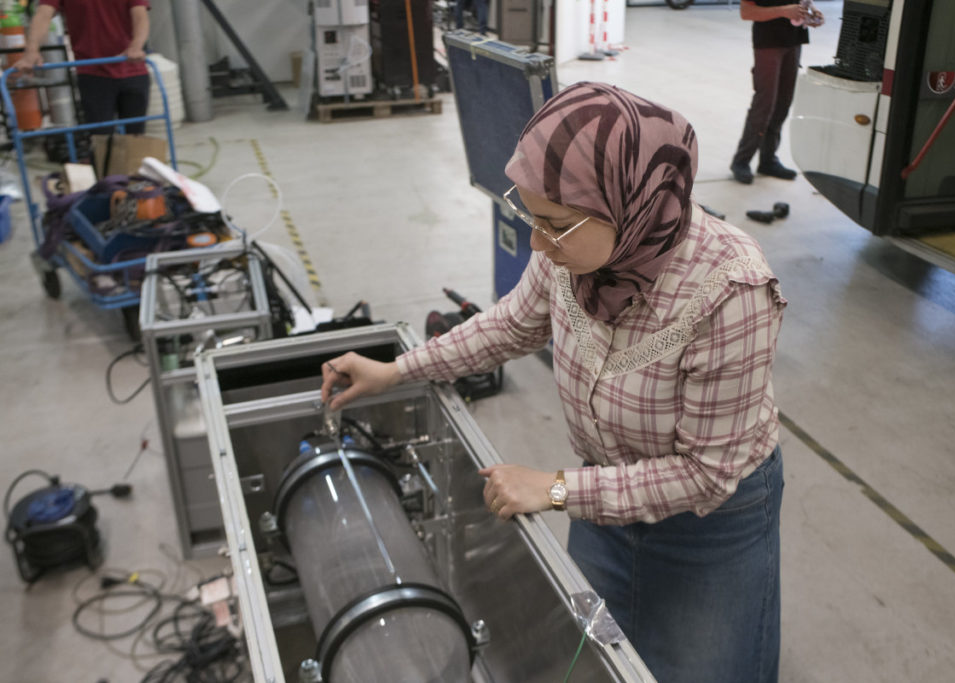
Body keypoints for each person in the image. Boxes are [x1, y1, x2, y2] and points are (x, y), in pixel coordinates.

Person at [321, 82, 787, 683]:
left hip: (707, 525)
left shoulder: (729, 292)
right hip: (606, 503)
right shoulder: (577, 251)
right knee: (600, 657)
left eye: (556, 225)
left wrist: (560, 490)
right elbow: (513, 324)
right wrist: (396, 369)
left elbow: (704, 473)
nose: (538, 243)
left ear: (632, 204)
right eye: (531, 217)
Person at [14, 0, 151, 134]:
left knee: (136, 137)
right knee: (101, 137)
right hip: (92, 73)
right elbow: (43, 14)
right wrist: (31, 52)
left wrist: (136, 47)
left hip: (132, 69)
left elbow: (140, 15)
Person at [730, 0, 824, 184]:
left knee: (783, 104)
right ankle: (741, 161)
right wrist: (783, 11)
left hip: (794, 41)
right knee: (765, 103)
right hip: (768, 43)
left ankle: (768, 160)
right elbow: (746, 12)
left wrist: (810, 13)